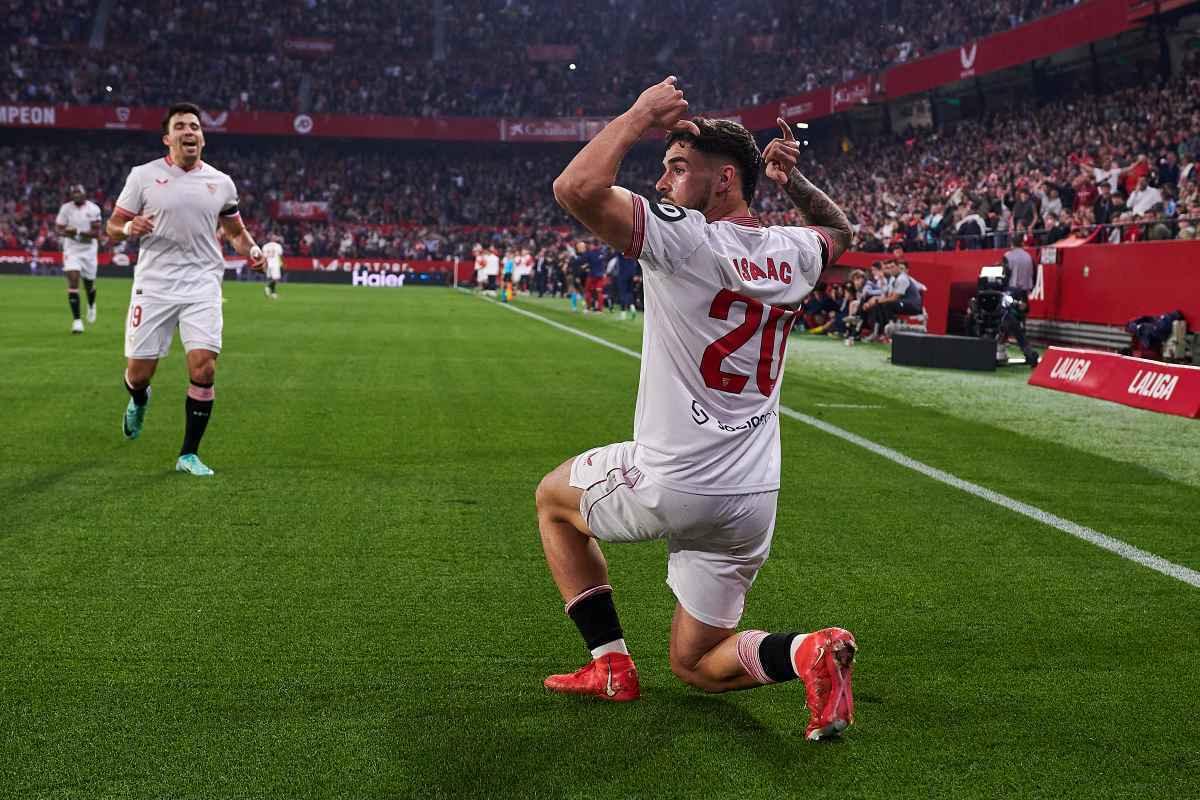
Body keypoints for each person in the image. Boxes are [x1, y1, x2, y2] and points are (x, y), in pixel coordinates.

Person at [538, 77, 857, 741]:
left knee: (552, 501)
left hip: (674, 477)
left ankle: (610, 665)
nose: (662, 183)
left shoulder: (686, 238)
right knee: (696, 664)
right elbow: (837, 228)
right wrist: (790, 182)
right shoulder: (791, 251)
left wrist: (636, 116)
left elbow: (574, 189)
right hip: (750, 497)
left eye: (677, 169)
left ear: (723, 181)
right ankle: (807, 651)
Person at [107, 102, 266, 477]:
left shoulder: (221, 182)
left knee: (204, 367)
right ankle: (139, 398)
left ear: (203, 137)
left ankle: (188, 454)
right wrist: (128, 230)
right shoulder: (142, 177)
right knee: (140, 374)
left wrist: (253, 250)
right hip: (155, 285)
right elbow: (113, 225)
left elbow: (235, 232)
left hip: (202, 284)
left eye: (194, 126)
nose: (189, 131)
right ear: (168, 138)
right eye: (181, 126)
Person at [54, 184, 102, 333]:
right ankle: (77, 321)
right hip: (72, 249)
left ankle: (91, 304)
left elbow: (96, 233)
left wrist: (77, 231)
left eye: (78, 192)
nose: (76, 195)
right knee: (73, 281)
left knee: (88, 284)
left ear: (84, 193)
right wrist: (65, 232)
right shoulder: (66, 208)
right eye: (73, 192)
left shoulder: (93, 209)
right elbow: (59, 228)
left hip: (89, 250)